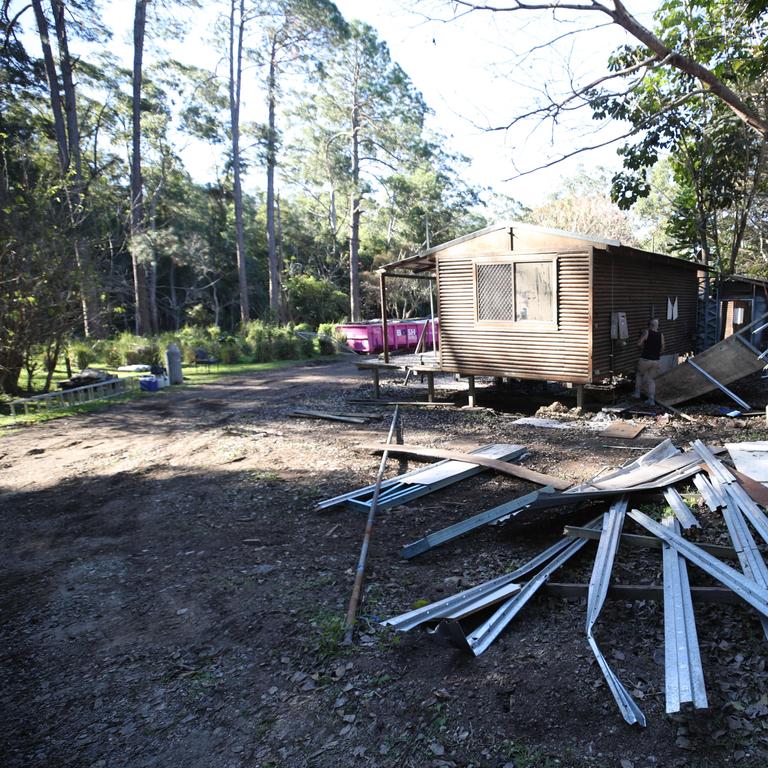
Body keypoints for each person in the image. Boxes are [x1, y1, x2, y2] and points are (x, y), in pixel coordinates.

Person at [633, 318, 665, 405]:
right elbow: (662, 347)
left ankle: (637, 393)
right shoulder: (661, 335)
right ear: (657, 326)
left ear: (650, 325)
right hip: (656, 360)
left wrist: (643, 347)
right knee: (651, 379)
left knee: (639, 374)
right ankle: (651, 400)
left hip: (645, 359)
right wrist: (656, 353)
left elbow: (639, 343)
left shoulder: (647, 332)